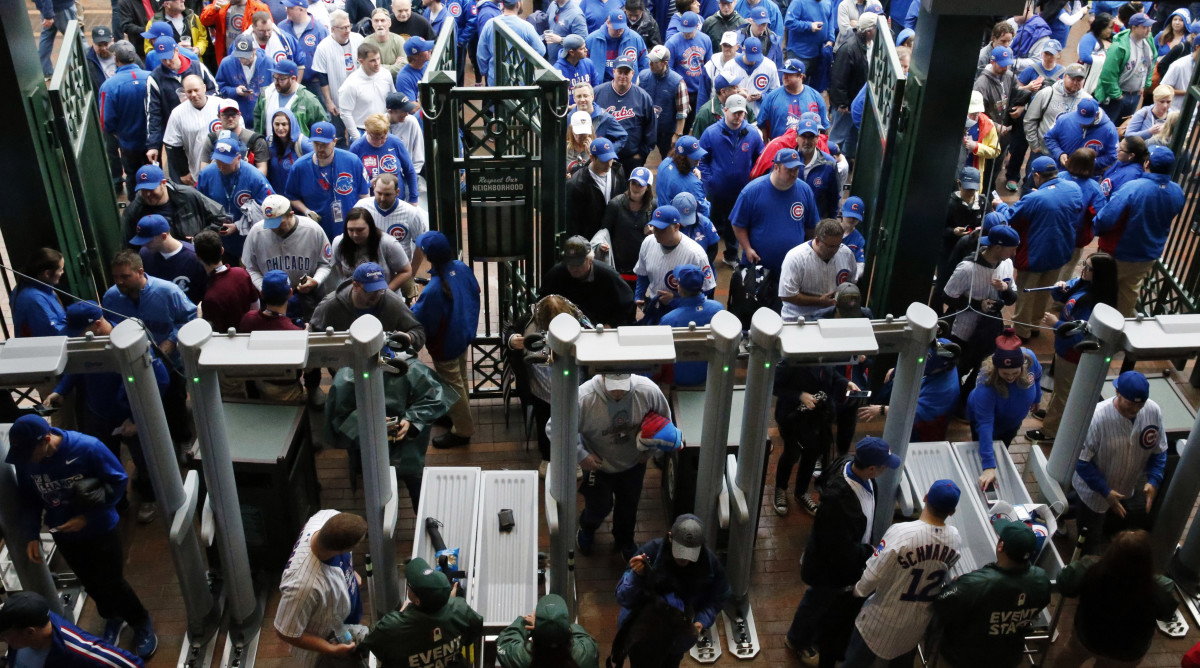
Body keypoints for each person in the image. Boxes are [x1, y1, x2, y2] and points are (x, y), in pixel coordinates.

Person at [7, 414, 159, 658]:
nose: (27, 459)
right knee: (90, 582)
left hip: (100, 529)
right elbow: (29, 500)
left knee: (113, 582)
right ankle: (113, 617)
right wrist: (31, 534)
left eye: (31, 451)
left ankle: (140, 621)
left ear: (47, 439)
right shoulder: (26, 461)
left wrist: (87, 517)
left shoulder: (87, 447)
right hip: (63, 533)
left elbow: (118, 481)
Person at [783, 438, 901, 667]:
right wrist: (867, 552)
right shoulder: (839, 501)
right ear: (871, 469)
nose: (887, 469)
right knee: (817, 600)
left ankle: (811, 634)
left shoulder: (850, 465)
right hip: (829, 567)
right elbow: (837, 549)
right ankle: (797, 640)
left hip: (842, 558)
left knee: (823, 601)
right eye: (884, 466)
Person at [842, 480, 962, 668]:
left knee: (855, 663)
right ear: (952, 511)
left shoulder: (902, 533)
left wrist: (857, 592)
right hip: (917, 624)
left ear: (925, 498)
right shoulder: (954, 538)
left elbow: (872, 576)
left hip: (880, 619)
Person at [550, 372, 670, 559]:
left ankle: (625, 541)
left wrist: (649, 453)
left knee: (629, 507)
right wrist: (581, 455)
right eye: (613, 388)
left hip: (634, 465)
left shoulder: (648, 391)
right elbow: (554, 428)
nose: (618, 394)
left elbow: (665, 423)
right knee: (599, 505)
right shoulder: (583, 398)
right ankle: (587, 527)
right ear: (602, 377)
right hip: (598, 467)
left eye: (623, 388)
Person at [930, 519, 1052, 668]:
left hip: (966, 657)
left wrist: (958, 583)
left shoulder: (974, 584)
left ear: (1000, 546)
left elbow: (941, 603)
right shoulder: (1041, 580)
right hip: (1009, 657)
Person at [1045, 530, 1178, 666]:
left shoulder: (1089, 567)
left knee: (1072, 653)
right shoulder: (1161, 587)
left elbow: (1064, 584)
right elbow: (1166, 615)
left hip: (1089, 635)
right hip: (1129, 649)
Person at [1068, 371, 1166, 553]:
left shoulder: (1152, 411)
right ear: (1118, 393)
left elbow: (1159, 451)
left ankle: (1061, 510)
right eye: (1130, 403)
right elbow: (1081, 462)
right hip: (1093, 491)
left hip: (1126, 487)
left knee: (1118, 527)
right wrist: (1105, 491)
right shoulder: (1097, 417)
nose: (1135, 409)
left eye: (1140, 404)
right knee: (1089, 542)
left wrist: (1154, 479)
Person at [614, 514, 730, 667]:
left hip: (677, 637)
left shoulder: (708, 563)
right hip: (644, 634)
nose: (684, 560)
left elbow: (719, 595)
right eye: (680, 551)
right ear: (670, 537)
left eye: (690, 554)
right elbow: (623, 598)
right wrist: (636, 576)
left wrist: (702, 620)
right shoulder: (651, 553)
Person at [1028, 252, 1117, 444]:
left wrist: (1056, 324)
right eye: (1085, 264)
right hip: (1063, 348)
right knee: (1060, 387)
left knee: (1063, 393)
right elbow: (1064, 298)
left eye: (1089, 268)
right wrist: (1060, 290)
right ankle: (1052, 415)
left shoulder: (1095, 303)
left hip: (1072, 353)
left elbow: (1080, 333)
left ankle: (1050, 431)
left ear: (1100, 274)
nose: (1083, 269)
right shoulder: (1084, 284)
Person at [1094, 145, 1186, 316]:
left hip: (1118, 252)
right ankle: (1118, 336)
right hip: (1148, 253)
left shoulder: (1133, 188)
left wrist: (1097, 230)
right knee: (1127, 295)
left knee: (1100, 294)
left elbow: (1105, 219)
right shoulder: (1177, 191)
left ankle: (1096, 334)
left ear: (1146, 163)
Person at [410, 232, 480, 449]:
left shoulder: (432, 291)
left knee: (452, 385)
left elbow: (422, 322)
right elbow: (475, 291)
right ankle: (456, 414)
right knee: (459, 378)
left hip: (445, 343)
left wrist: (413, 306)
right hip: (463, 334)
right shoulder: (460, 266)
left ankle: (462, 430)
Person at [275, 510, 368, 667]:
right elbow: (285, 631)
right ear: (343, 549)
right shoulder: (303, 587)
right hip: (325, 647)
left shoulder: (325, 517)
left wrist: (350, 573)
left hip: (341, 624)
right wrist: (331, 650)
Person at [1004, 155, 1082, 340]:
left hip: (1035, 254)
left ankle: (1022, 332)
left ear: (1037, 175)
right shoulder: (1073, 188)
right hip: (1060, 251)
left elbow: (1010, 216)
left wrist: (999, 206)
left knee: (1026, 293)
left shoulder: (1035, 198)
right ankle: (1035, 325)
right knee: (1045, 291)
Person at [360, 557, 484, 666]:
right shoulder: (459, 608)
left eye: (409, 584)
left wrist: (402, 615)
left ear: (417, 601)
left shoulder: (392, 626)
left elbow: (373, 641)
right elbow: (474, 629)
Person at [942, 225, 1020, 396]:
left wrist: (1006, 289)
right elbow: (947, 296)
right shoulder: (967, 268)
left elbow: (1012, 298)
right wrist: (978, 305)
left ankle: (966, 399)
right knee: (957, 368)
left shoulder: (1007, 264)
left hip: (990, 330)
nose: (1014, 253)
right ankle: (949, 400)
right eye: (1011, 249)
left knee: (981, 368)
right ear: (998, 247)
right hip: (964, 330)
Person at [243, 194, 334, 321]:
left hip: (307, 297)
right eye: (270, 224)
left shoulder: (312, 230)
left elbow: (326, 264)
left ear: (291, 214)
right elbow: (250, 268)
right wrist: (264, 288)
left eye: (278, 223)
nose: (274, 228)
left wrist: (316, 281)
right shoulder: (256, 232)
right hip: (271, 301)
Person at [730, 148, 820, 274]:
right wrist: (747, 248)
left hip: (794, 267)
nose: (794, 174)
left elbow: (811, 227)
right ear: (776, 167)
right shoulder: (752, 191)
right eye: (789, 170)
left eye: (796, 169)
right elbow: (738, 224)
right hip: (759, 266)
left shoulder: (805, 190)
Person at [0, 590, 145, 668]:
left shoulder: (79, 650)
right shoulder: (30, 626)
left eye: (5, 634)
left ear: (30, 632)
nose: (2, 637)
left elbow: (132, 665)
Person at [700, 94, 764, 263]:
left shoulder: (752, 134)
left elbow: (760, 159)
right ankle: (706, 257)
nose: (738, 117)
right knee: (710, 224)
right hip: (716, 191)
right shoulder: (711, 133)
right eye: (734, 113)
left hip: (741, 191)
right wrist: (709, 180)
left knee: (735, 224)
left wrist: (753, 182)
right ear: (725, 110)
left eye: (741, 113)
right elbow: (702, 159)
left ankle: (731, 255)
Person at [968, 347, 1042, 491]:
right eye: (1005, 373)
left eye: (1015, 372)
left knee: (1003, 447)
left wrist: (1037, 397)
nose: (1010, 377)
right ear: (996, 369)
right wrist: (989, 466)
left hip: (1012, 423)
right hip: (988, 422)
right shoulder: (986, 382)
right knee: (982, 449)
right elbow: (985, 425)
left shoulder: (1030, 359)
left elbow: (1037, 376)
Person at [195, 136, 276, 262]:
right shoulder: (206, 174)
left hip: (247, 240)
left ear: (238, 158)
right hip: (217, 241)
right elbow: (197, 204)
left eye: (225, 162)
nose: (220, 166)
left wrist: (238, 226)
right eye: (218, 161)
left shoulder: (254, 177)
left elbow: (270, 208)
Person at [310, 261, 427, 348]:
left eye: (380, 290)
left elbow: (418, 330)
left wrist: (409, 337)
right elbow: (311, 334)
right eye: (370, 291)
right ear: (355, 286)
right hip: (345, 363)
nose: (376, 295)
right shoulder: (332, 304)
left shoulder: (391, 301)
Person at [285, 121, 371, 240]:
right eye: (316, 144)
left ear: (334, 142)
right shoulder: (299, 167)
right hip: (317, 230)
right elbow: (292, 196)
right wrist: (306, 211)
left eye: (324, 144)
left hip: (350, 229)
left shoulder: (352, 161)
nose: (320, 148)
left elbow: (365, 195)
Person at [633, 205, 716, 324]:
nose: (656, 233)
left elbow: (707, 291)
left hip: (683, 312)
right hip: (653, 306)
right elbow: (642, 273)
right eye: (655, 228)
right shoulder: (648, 242)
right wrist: (639, 296)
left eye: (662, 229)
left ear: (677, 227)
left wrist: (675, 300)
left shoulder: (696, 254)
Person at [146, 36, 218, 172]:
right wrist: (153, 145)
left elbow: (215, 92)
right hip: (177, 133)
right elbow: (153, 114)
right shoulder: (155, 78)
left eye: (169, 57)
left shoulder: (197, 67)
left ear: (176, 50)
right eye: (163, 58)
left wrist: (197, 97)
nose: (167, 62)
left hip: (204, 128)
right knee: (181, 175)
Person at [540, 235, 636, 326]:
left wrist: (611, 325)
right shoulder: (556, 274)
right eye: (570, 264)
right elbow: (543, 301)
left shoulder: (608, 275)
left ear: (590, 260)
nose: (574, 268)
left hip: (600, 328)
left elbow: (628, 304)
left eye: (578, 264)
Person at [777, 214, 857, 323]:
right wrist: (819, 301)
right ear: (818, 240)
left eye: (838, 245)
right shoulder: (795, 257)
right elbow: (787, 296)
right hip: (799, 320)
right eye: (830, 246)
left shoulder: (846, 253)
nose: (835, 250)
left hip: (832, 318)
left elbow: (851, 283)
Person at [100, 42, 153, 201]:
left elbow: (106, 121)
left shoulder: (109, 85)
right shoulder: (152, 76)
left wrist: (116, 134)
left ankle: (136, 209)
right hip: (153, 140)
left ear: (116, 59)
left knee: (133, 176)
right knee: (153, 173)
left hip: (128, 141)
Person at [123, 164, 227, 243]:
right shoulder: (134, 211)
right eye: (143, 190)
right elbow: (129, 245)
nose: (147, 194)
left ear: (163, 183)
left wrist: (201, 239)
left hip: (195, 259)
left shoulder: (188, 196)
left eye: (151, 189)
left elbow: (219, 216)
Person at [658, 264, 724, 386]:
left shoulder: (668, 320)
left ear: (679, 288)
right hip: (709, 375)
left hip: (678, 378)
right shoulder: (719, 309)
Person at [497, 594, 599, 668]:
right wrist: (559, 624)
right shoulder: (586, 653)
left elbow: (505, 640)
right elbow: (581, 635)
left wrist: (524, 622)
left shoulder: (520, 657)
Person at [595, 57, 657, 174]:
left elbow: (651, 129)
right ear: (614, 72)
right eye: (620, 72)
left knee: (630, 190)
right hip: (603, 156)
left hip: (631, 158)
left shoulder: (643, 97)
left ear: (633, 73)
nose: (623, 76)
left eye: (626, 72)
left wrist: (641, 154)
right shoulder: (598, 92)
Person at [129, 214, 209, 304]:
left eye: (148, 241)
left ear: (163, 236)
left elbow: (206, 294)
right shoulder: (144, 254)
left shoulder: (195, 257)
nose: (144, 245)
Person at [311, 10, 365, 143]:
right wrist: (328, 101)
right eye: (343, 28)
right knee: (339, 136)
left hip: (360, 97)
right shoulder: (323, 47)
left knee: (360, 134)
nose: (347, 30)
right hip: (337, 98)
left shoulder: (358, 39)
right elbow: (322, 77)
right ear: (333, 29)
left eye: (348, 26)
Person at [160, 75, 225, 184]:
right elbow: (172, 146)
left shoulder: (221, 104)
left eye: (196, 90)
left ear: (204, 88)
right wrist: (183, 172)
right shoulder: (178, 113)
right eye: (189, 92)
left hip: (225, 165)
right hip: (196, 169)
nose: (193, 95)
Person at [1023, 62, 1091, 166]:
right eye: (1072, 79)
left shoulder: (1087, 100)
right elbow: (1030, 119)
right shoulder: (1047, 93)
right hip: (1043, 152)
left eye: (1079, 80)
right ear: (1064, 77)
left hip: (1069, 158)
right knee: (1033, 181)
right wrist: (1034, 145)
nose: (1075, 82)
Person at [1094, 12, 1155, 124]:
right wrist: (1118, 95)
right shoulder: (1119, 47)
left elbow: (1152, 61)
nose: (1149, 29)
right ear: (1134, 27)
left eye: (1150, 26)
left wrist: (1145, 84)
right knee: (1106, 126)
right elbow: (1108, 75)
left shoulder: (1148, 40)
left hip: (1135, 94)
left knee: (1123, 128)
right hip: (1118, 96)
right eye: (1145, 27)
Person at [193, 230, 260, 332]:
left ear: (197, 257)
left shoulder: (210, 298)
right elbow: (256, 307)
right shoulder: (242, 273)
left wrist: (200, 317)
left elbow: (213, 333)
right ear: (222, 250)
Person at [828, 12, 874, 159]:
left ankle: (847, 165)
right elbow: (837, 79)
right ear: (868, 31)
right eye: (876, 28)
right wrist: (842, 103)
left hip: (857, 102)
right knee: (837, 139)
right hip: (845, 105)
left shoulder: (870, 45)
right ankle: (828, 165)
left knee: (852, 139)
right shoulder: (849, 48)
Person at [329, 207, 412, 288]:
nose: (355, 234)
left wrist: (386, 293)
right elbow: (340, 268)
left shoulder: (388, 243)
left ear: (370, 228)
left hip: (385, 293)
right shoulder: (338, 243)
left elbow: (406, 271)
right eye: (350, 230)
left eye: (360, 230)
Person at [565, 137, 628, 238]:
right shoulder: (577, 183)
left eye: (611, 159)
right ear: (592, 158)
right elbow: (572, 221)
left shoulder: (617, 170)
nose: (609, 164)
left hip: (614, 235)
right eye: (604, 160)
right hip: (589, 237)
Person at [601, 166, 656, 280]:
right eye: (633, 183)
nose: (636, 187)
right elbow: (605, 232)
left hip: (643, 263)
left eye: (640, 184)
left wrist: (654, 233)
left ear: (648, 187)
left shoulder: (654, 206)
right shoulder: (615, 204)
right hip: (619, 265)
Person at [333, 42, 394, 143]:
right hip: (362, 130)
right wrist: (357, 138)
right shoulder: (351, 84)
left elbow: (392, 97)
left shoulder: (386, 74)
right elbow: (345, 113)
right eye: (372, 60)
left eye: (378, 58)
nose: (377, 63)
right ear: (361, 61)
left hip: (385, 128)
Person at [349, 115, 419, 201]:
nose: (378, 141)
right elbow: (351, 178)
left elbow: (410, 171)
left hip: (396, 199)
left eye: (382, 137)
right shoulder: (357, 147)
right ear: (366, 132)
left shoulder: (395, 143)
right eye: (374, 138)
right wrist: (366, 184)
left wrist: (414, 199)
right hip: (370, 200)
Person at [1042, 98, 1117, 178]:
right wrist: (1059, 153)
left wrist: (1086, 163)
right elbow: (1049, 138)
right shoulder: (1065, 119)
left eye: (1087, 121)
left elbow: (1112, 155)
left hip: (1086, 177)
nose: (1082, 123)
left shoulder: (1109, 130)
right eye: (1080, 119)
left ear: (1097, 115)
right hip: (1059, 172)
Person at [252, 60, 329, 137]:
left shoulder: (309, 100)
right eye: (275, 78)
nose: (276, 82)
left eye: (281, 79)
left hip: (297, 147)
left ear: (293, 78)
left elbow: (321, 127)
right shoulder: (265, 94)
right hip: (269, 147)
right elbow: (258, 122)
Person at [476, 0, 547, 83]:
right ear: (518, 4)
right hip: (520, 82)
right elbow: (541, 51)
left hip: (495, 81)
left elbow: (481, 55)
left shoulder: (490, 23)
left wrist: (486, 72)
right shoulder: (527, 27)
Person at [637, 46, 689, 160]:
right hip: (646, 129)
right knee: (637, 159)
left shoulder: (677, 81)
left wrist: (677, 135)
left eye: (655, 62)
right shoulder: (642, 76)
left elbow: (682, 112)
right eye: (650, 60)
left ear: (665, 63)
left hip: (666, 132)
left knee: (670, 161)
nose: (650, 63)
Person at [196, 97, 271, 175]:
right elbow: (204, 169)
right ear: (219, 116)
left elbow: (262, 170)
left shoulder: (255, 140)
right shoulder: (212, 139)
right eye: (226, 115)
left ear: (239, 115)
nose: (230, 118)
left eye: (234, 114)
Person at [758, 59, 827, 140]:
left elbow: (824, 127)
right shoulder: (771, 97)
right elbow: (762, 125)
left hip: (807, 148)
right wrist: (767, 146)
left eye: (789, 74)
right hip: (780, 148)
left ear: (800, 76)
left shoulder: (815, 97)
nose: (785, 77)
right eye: (784, 73)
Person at [664, 11, 711, 128]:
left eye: (689, 30)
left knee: (696, 125)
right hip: (681, 92)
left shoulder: (705, 40)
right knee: (679, 127)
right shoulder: (672, 42)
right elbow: (668, 69)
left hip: (700, 91)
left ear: (697, 27)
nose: (686, 33)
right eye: (683, 29)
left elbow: (709, 66)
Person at [11, 248, 66, 338]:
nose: (62, 272)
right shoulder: (35, 300)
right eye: (60, 269)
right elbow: (54, 334)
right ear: (47, 274)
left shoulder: (22, 287)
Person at [585, 9, 649, 85]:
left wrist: (638, 84)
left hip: (628, 87)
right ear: (608, 23)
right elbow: (584, 66)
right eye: (616, 28)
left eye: (621, 28)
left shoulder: (635, 39)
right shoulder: (592, 39)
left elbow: (645, 65)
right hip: (600, 87)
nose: (619, 31)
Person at [200, 0, 271, 65]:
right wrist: (214, 9)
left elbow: (270, 33)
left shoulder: (259, 7)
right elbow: (204, 21)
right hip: (226, 56)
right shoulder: (221, 3)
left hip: (250, 57)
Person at [719, 37, 777, 115]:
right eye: (750, 56)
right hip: (734, 115)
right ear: (743, 50)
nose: (753, 60)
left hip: (760, 115)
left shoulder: (770, 66)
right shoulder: (730, 66)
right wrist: (737, 94)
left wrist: (762, 97)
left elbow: (775, 93)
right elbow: (721, 93)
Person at [691, 71, 756, 140]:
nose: (738, 90)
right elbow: (698, 141)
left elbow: (754, 128)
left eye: (738, 86)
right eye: (734, 87)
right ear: (723, 92)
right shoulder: (705, 112)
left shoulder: (743, 104)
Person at [655, 134, 708, 215]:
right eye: (695, 156)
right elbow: (703, 212)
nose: (699, 158)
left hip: (662, 215)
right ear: (683, 158)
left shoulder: (665, 163)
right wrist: (704, 198)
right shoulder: (693, 184)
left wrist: (693, 168)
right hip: (681, 224)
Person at [572, 83, 629, 153]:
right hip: (574, 160)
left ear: (592, 97)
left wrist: (607, 153)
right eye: (579, 96)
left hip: (596, 162)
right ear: (574, 99)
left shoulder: (605, 118)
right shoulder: (569, 117)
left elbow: (623, 137)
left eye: (585, 96)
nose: (582, 99)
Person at [784, 0, 832, 73]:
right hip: (799, 53)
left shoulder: (827, 2)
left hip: (818, 53)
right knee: (794, 82)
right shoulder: (798, 2)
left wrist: (831, 39)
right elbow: (789, 22)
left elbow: (830, 21)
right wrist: (809, 26)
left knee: (813, 83)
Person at [385, 92, 425, 175]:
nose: (407, 114)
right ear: (391, 111)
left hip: (408, 175)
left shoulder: (412, 121)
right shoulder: (378, 123)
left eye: (408, 110)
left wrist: (412, 175)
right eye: (403, 111)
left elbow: (419, 154)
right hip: (384, 178)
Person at [963, 90, 1001, 174]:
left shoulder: (988, 125)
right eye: (972, 113)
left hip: (974, 172)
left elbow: (995, 151)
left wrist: (977, 147)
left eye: (977, 114)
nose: (974, 117)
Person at [1099, 134, 1147, 199]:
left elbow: (1117, 200)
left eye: (1121, 149)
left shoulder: (1131, 175)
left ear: (1131, 155)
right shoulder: (1121, 162)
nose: (1117, 150)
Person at [366, 9, 409, 79]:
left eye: (382, 21)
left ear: (389, 23)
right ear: (372, 23)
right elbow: (365, 67)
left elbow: (404, 66)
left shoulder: (399, 41)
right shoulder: (366, 43)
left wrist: (376, 67)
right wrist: (394, 66)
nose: (379, 24)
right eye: (376, 21)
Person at [556, 35, 600, 103]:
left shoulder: (588, 63)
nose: (586, 50)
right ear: (572, 52)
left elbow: (596, 87)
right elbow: (557, 99)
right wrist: (569, 108)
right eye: (582, 49)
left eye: (585, 47)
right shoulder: (557, 70)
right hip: (569, 111)